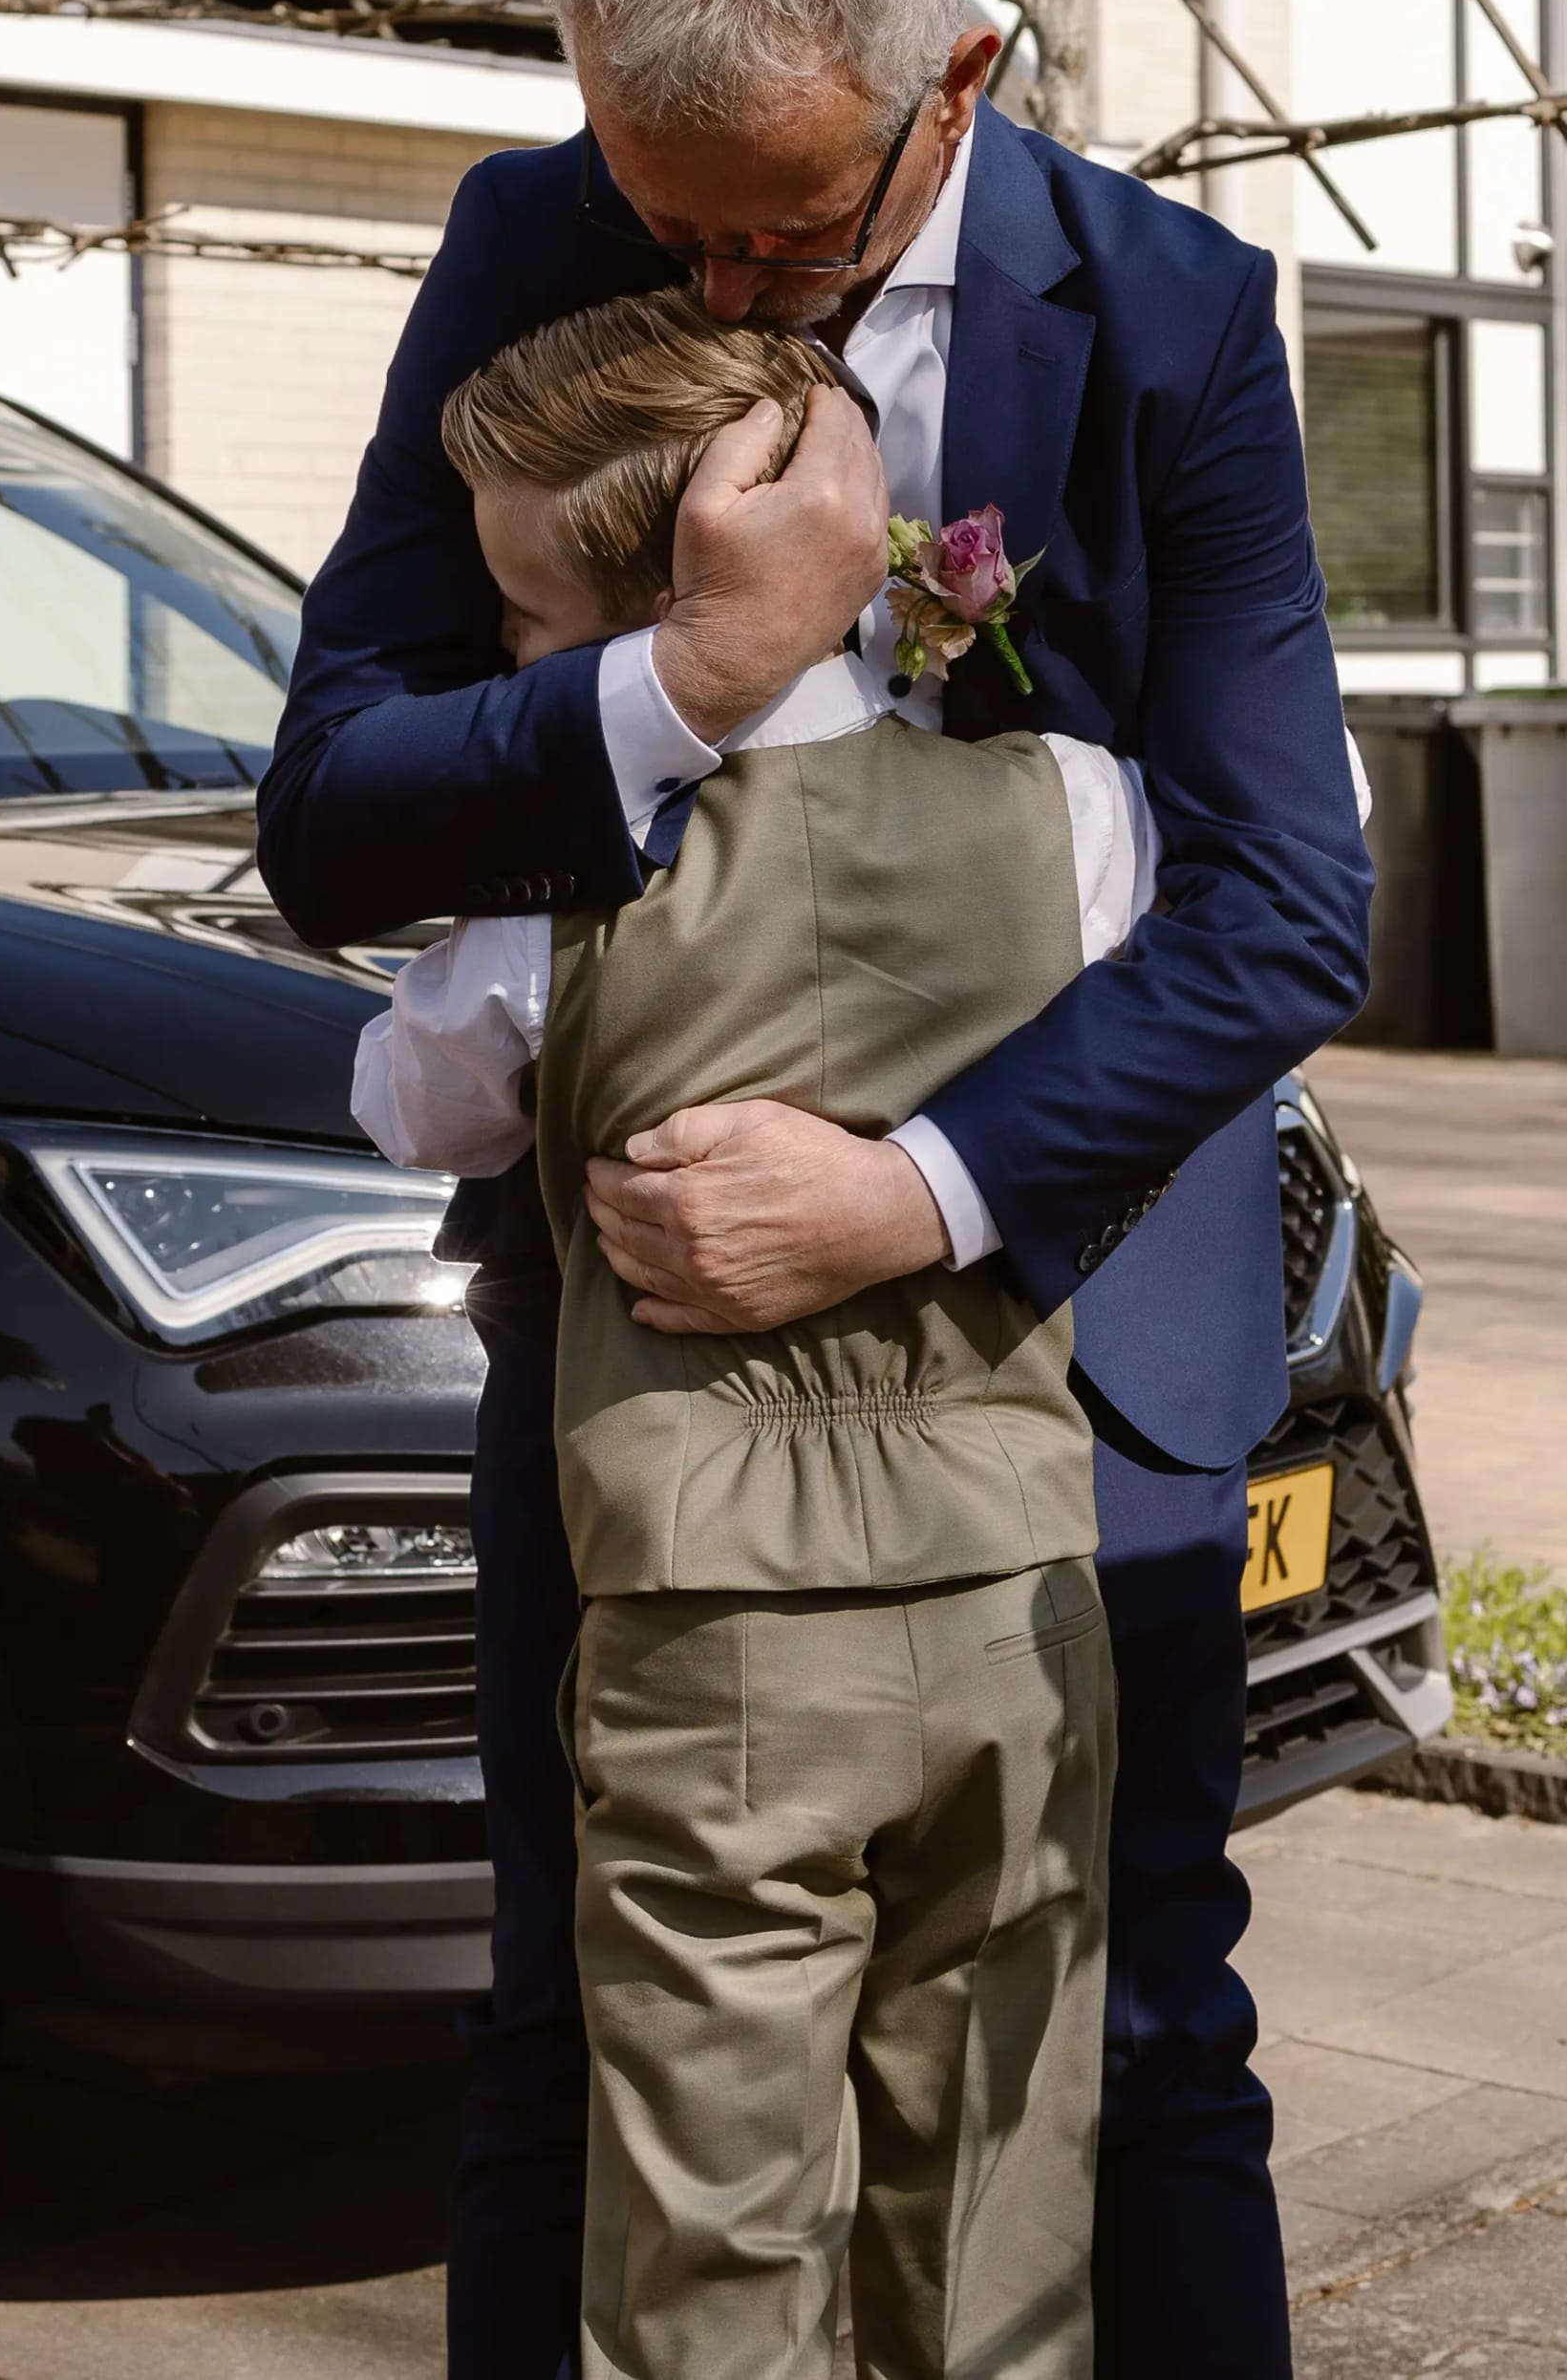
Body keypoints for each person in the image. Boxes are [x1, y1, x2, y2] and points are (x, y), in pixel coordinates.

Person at [259, 0, 1373, 2380]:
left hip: (1077, 1354)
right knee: (586, 2022)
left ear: (954, 82)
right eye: (674, 219)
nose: (732, 281)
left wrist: (924, 1191)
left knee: (1125, 2032)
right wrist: (684, 686)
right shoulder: (527, 241)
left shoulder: (1180, 316)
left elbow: (1283, 900)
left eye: (788, 222)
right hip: (640, 1391)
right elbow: (328, 810)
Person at [352, 290, 1157, 2379]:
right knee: (1001, 2191)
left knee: (711, 2231)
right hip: (1010, 1590)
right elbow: (1275, 831)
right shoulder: (1064, 811)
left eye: (536, 627)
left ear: (659, 620)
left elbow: (407, 1099)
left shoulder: (561, 895)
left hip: (720, 1636)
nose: (521, 670)